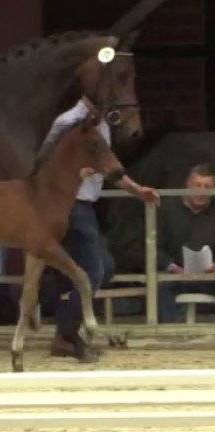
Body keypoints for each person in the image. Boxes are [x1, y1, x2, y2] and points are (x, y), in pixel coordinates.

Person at [47, 97, 160, 363]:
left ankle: (64, 322)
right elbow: (45, 161)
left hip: (86, 206)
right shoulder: (67, 122)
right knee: (94, 270)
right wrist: (76, 172)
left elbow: (109, 166)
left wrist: (137, 190)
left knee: (103, 268)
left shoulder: (104, 125)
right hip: (70, 203)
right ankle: (66, 335)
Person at [157, 163, 215, 323]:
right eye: (197, 185)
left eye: (207, 187)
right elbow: (153, 247)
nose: (202, 191)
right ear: (187, 184)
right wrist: (173, 267)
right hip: (177, 274)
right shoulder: (167, 211)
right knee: (162, 286)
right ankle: (169, 336)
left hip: (210, 276)